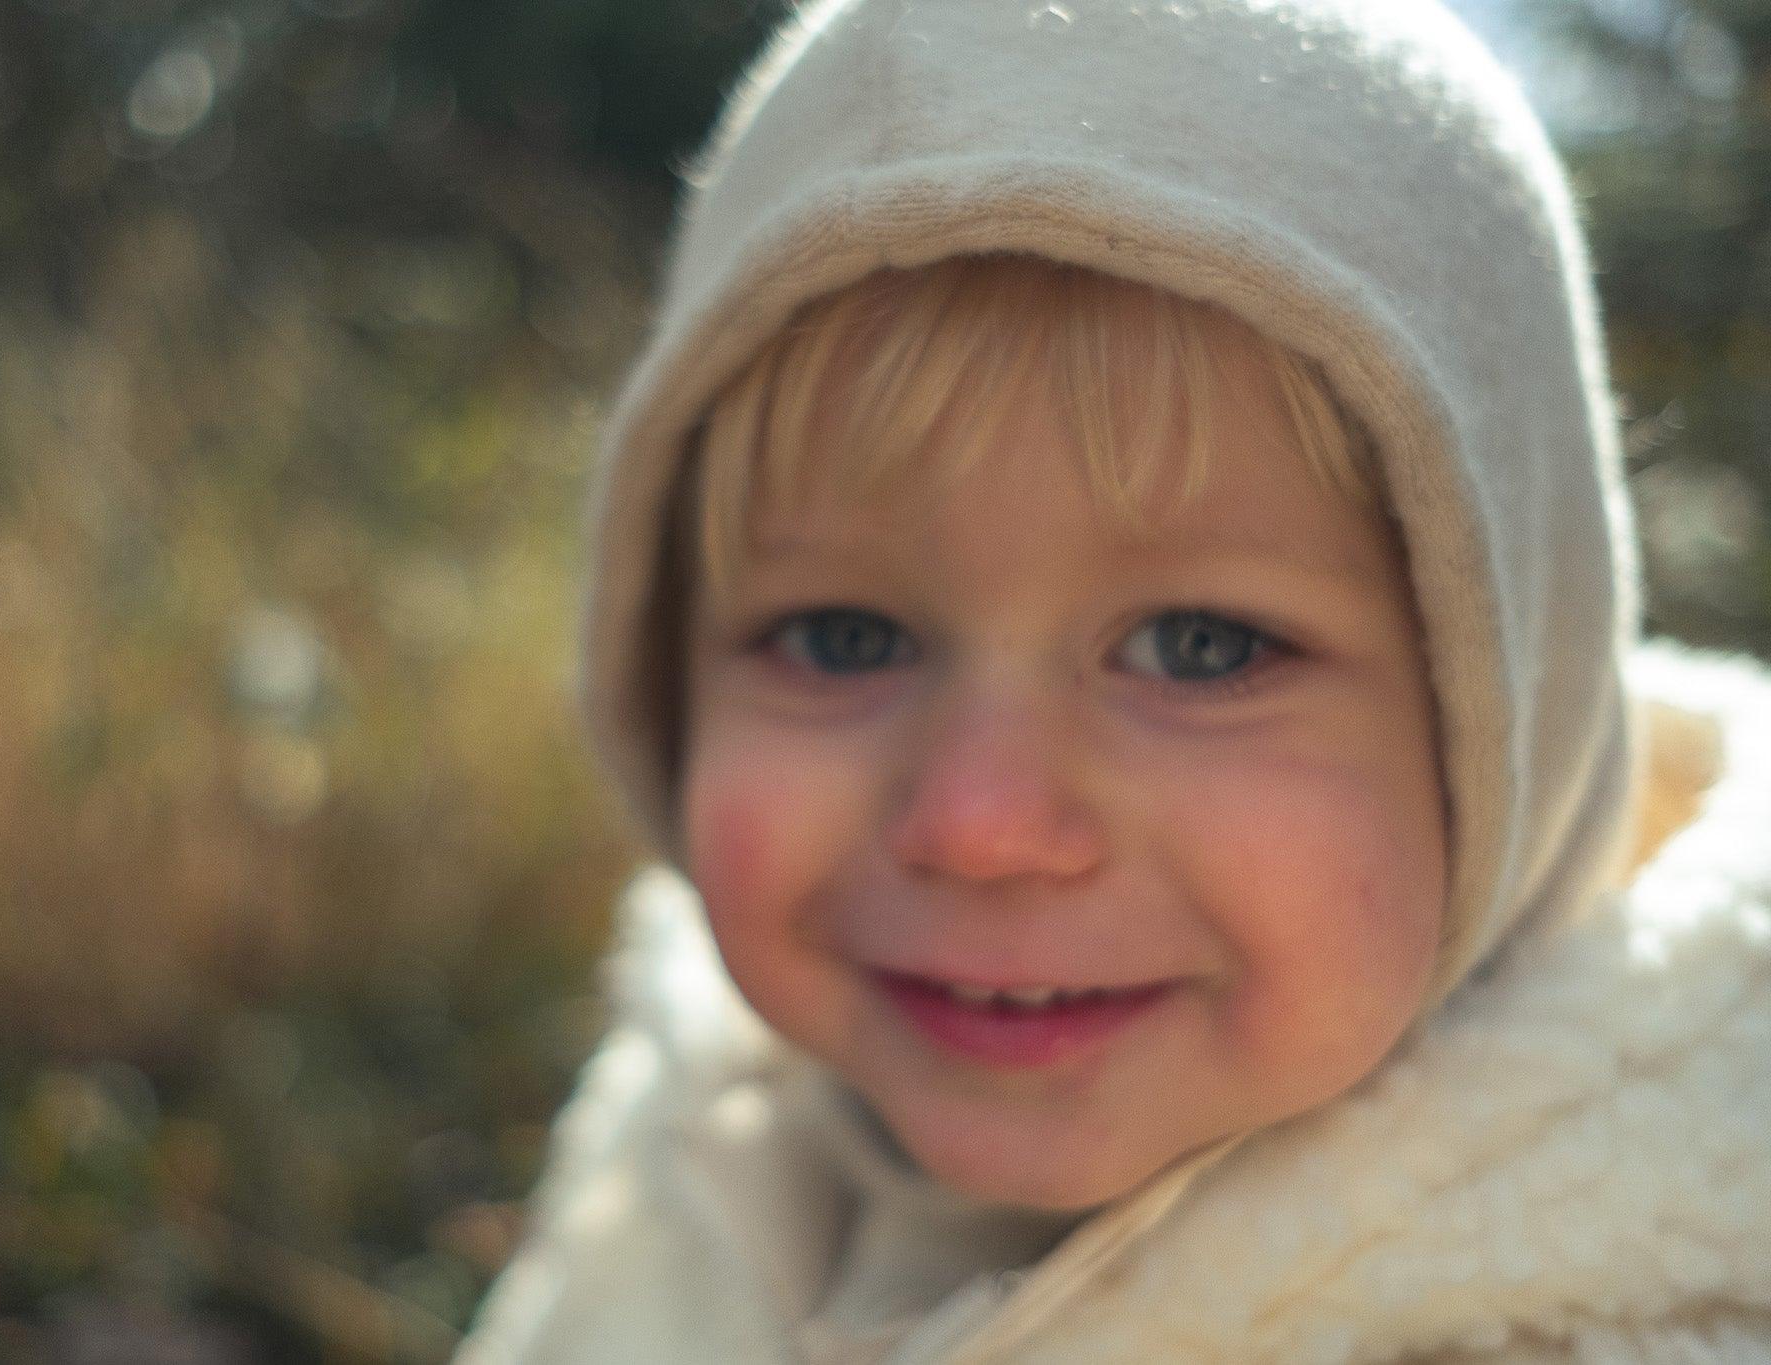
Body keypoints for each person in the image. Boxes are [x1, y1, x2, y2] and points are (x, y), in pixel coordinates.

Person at [459, 0, 1771, 1359]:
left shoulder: (1671, 1306)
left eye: (1203, 645)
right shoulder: (685, 1146)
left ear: (1513, 708)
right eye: (842, 636)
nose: (980, 821)